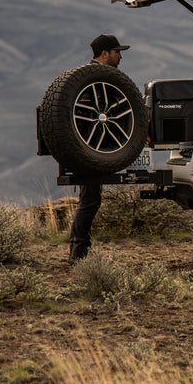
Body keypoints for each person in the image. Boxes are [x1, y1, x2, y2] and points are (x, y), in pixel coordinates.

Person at [68, 33, 131, 264]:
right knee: (90, 200)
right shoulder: (99, 78)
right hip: (91, 147)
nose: (120, 56)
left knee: (89, 198)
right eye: (117, 52)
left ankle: (78, 249)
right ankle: (78, 252)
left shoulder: (85, 76)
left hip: (84, 147)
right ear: (105, 54)